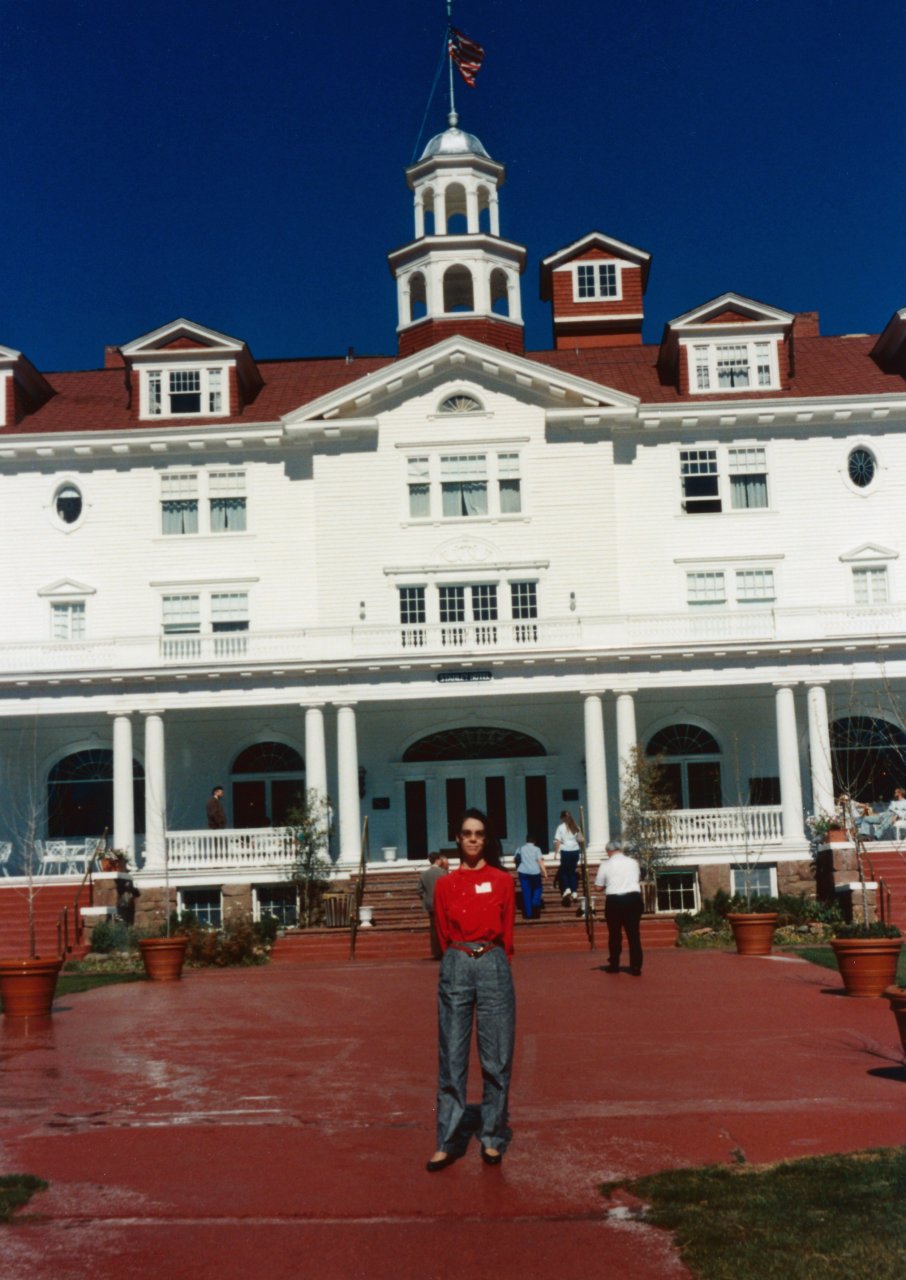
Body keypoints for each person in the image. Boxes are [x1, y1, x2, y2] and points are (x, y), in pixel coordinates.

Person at [427, 808, 516, 1172]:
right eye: (467, 833)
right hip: (458, 962)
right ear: (458, 839)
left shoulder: (502, 881)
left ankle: (492, 1136)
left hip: (493, 961)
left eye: (479, 833)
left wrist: (495, 959)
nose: (473, 839)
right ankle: (447, 1140)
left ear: (487, 838)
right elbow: (442, 930)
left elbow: (508, 929)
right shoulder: (445, 884)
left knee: (496, 1056)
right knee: (452, 1055)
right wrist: (459, 956)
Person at [594, 840, 644, 976]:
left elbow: (598, 887)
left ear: (609, 851)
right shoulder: (633, 862)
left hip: (614, 900)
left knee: (615, 934)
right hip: (633, 899)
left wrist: (606, 885)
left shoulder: (605, 864)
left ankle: (614, 964)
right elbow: (637, 878)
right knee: (634, 934)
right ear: (621, 850)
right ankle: (636, 966)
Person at [418, 852, 449, 959]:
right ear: (438, 860)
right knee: (443, 927)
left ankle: (436, 952)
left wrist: (426, 898)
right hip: (442, 903)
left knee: (433, 928)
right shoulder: (443, 873)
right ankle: (443, 949)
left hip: (430, 904)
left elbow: (419, 890)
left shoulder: (424, 874)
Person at [553, 810, 584, 905]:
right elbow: (581, 840)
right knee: (572, 871)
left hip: (566, 851)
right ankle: (574, 891)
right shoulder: (576, 826)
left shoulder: (560, 827)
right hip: (575, 851)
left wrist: (555, 853)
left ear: (562, 818)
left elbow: (557, 841)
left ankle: (567, 888)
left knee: (563, 871)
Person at [514, 833, 547, 920]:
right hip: (535, 872)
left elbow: (515, 859)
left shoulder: (520, 848)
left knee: (526, 892)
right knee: (538, 888)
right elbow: (540, 861)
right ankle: (535, 902)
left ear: (526, 840)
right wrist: (545, 872)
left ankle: (528, 914)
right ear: (534, 841)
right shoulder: (537, 849)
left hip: (523, 872)